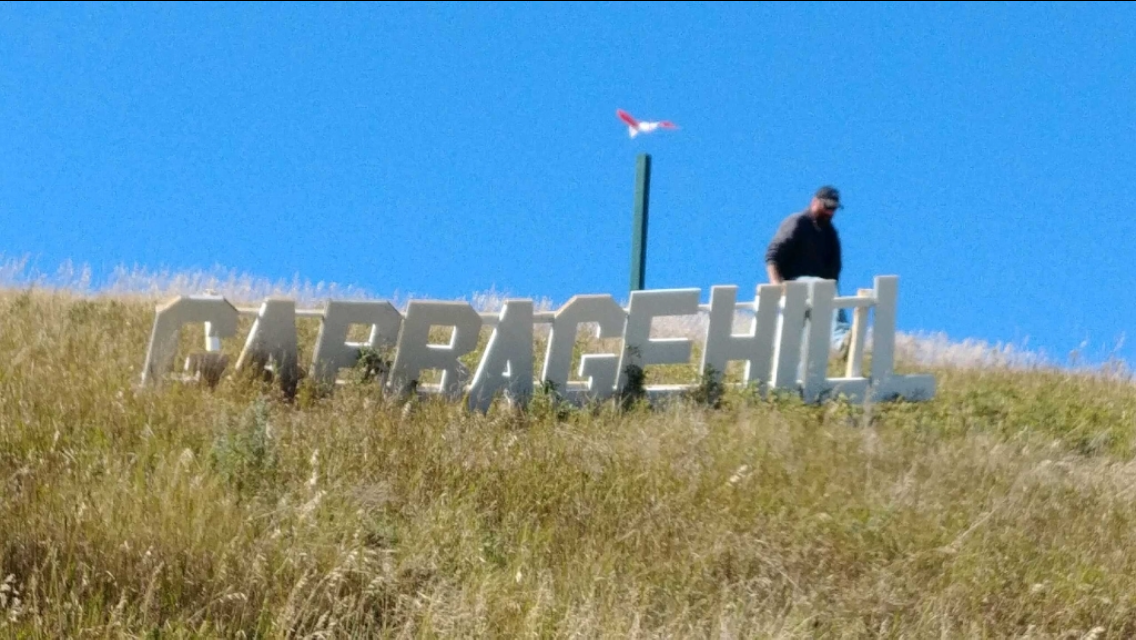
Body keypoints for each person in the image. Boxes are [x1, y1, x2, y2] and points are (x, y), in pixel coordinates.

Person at [764, 185, 852, 357]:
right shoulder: (798, 222)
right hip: (794, 284)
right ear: (814, 202)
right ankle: (841, 340)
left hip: (820, 290)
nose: (830, 212)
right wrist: (776, 284)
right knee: (821, 285)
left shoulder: (830, 234)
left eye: (833, 209)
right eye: (827, 207)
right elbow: (773, 255)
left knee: (801, 336)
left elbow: (834, 271)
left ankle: (838, 350)